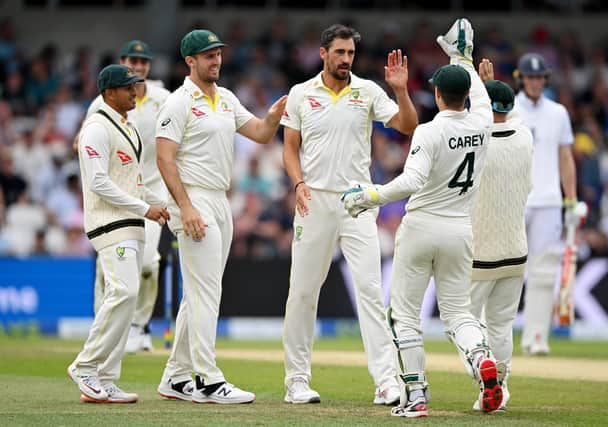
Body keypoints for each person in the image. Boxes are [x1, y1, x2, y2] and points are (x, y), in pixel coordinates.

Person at [342, 19, 503, 417]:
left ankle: (415, 396)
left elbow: (411, 181)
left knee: (404, 317)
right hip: (460, 230)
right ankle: (481, 358)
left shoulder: (430, 132)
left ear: (436, 92)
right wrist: (462, 57)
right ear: (467, 93)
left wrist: (369, 196)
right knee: (459, 313)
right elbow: (480, 95)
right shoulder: (483, 123)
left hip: (421, 228)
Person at [280, 23, 418, 405]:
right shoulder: (301, 94)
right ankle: (297, 380)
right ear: (323, 53)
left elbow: (408, 126)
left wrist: (402, 91)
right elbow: (290, 148)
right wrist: (298, 183)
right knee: (303, 292)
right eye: (339, 52)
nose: (345, 59)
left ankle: (387, 381)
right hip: (313, 201)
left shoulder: (368, 91)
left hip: (358, 201)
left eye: (351, 53)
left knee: (371, 291)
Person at [155, 29, 287, 404]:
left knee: (196, 294)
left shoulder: (226, 98)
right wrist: (185, 207)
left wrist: (274, 116)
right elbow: (164, 159)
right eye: (207, 56)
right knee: (206, 293)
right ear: (190, 61)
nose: (216, 61)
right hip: (194, 199)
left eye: (218, 54)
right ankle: (208, 380)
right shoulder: (179, 102)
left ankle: (176, 378)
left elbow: (260, 134)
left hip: (219, 199)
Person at [67, 64, 170, 403]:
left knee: (127, 299)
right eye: (128, 87)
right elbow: (97, 182)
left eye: (136, 86)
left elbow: (137, 184)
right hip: (109, 223)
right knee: (123, 293)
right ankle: (85, 366)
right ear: (109, 92)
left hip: (132, 223)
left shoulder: (128, 127)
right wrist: (144, 209)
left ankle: (107, 378)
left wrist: (166, 204)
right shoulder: (96, 126)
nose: (134, 92)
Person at [86, 40, 171, 353]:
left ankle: (138, 325)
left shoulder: (163, 99)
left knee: (148, 263)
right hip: (112, 196)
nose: (138, 65)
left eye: (143, 61)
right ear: (122, 62)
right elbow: (86, 144)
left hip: (151, 192)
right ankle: (102, 329)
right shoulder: (102, 104)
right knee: (106, 270)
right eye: (132, 60)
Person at [469, 71, 534, 412]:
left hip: (480, 252)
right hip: (516, 251)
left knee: (464, 323)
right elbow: (511, 114)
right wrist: (488, 88)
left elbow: (472, 119)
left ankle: (486, 378)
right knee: (502, 324)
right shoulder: (524, 136)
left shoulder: (478, 140)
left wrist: (477, 88)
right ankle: (500, 387)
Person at [513, 53, 580, 356]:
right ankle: (496, 335)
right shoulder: (510, 109)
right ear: (521, 78)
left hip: (550, 201)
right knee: (509, 269)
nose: (535, 82)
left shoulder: (558, 113)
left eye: (539, 77)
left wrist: (571, 200)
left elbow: (565, 158)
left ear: (545, 79)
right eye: (530, 77)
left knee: (542, 273)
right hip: (516, 199)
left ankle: (536, 336)